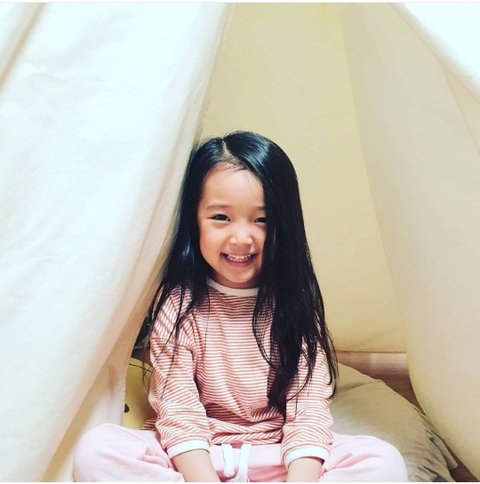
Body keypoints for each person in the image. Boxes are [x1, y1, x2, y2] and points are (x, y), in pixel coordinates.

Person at [73, 131, 408, 482]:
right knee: (98, 449)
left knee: (382, 461)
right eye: (221, 217)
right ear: (194, 221)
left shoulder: (294, 301)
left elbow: (307, 412)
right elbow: (179, 412)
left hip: (276, 456)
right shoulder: (178, 303)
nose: (241, 238)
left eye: (261, 220)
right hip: (198, 459)